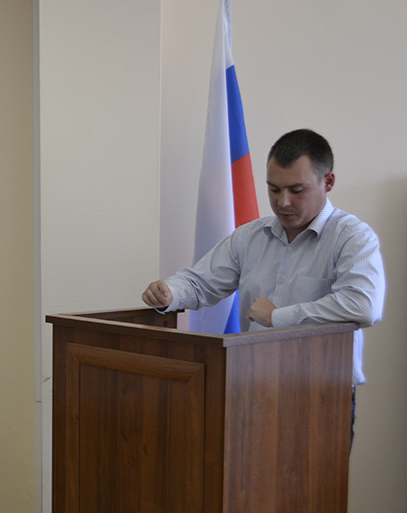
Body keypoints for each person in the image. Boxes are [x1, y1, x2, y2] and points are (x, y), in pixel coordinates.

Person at [142, 129, 386, 442]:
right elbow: (199, 282)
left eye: (296, 190)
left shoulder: (353, 237)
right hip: (252, 390)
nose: (282, 202)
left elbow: (362, 306)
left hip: (321, 397)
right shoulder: (250, 236)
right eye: (274, 189)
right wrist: (170, 292)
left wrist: (277, 317)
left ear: (327, 182)